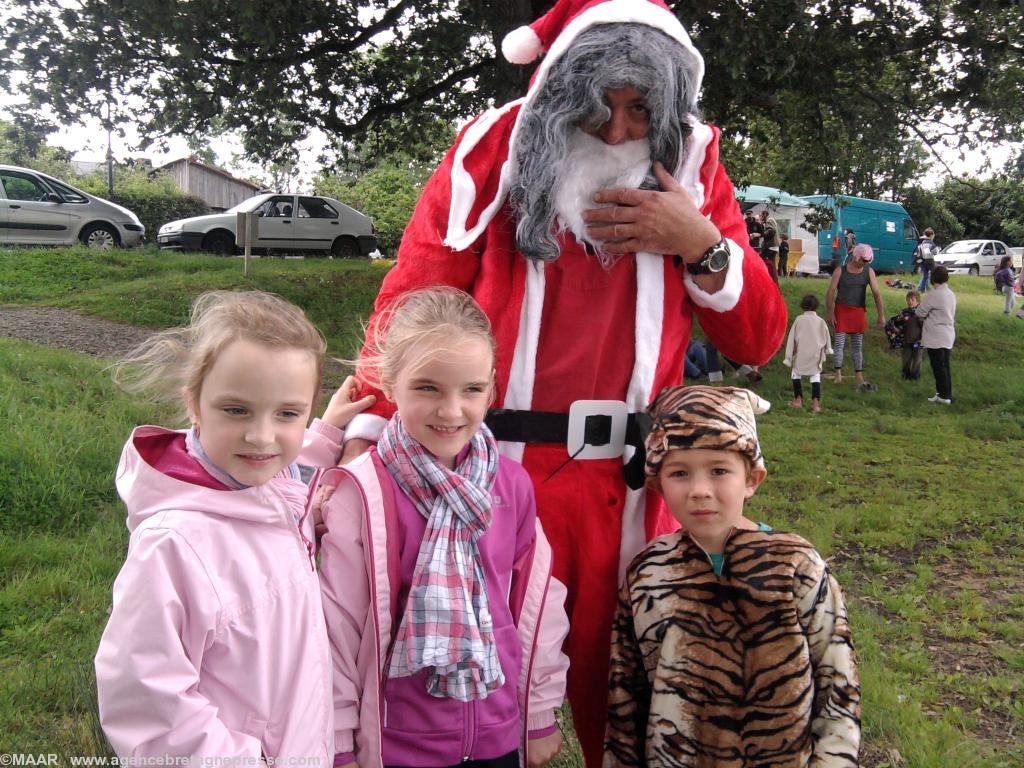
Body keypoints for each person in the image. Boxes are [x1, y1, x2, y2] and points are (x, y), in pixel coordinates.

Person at [338, 2, 788, 762]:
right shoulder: (492, 153)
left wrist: (701, 244)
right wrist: (363, 438)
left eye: (641, 108)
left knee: (645, 710)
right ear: (557, 90)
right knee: (482, 704)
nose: (617, 132)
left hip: (639, 492)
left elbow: (758, 338)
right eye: (595, 106)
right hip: (499, 482)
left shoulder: (694, 169)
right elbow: (414, 306)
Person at [94, 290, 376, 760]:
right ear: (194, 405)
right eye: (236, 410)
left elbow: (289, 466)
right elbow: (147, 703)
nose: (262, 436)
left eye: (287, 413)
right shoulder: (173, 546)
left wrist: (325, 433)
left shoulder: (266, 483)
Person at [318, 288, 570, 768]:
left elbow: (537, 603)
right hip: (399, 742)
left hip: (496, 730)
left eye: (471, 390)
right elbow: (337, 630)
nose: (451, 411)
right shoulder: (364, 494)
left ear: (493, 388)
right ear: (390, 384)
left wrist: (536, 710)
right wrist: (338, 740)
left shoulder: (511, 485)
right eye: (428, 388)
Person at [605, 385, 861, 767]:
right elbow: (626, 698)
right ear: (658, 483)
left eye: (719, 470)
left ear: (752, 479)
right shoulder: (648, 574)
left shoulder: (797, 566)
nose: (700, 490)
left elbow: (838, 688)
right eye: (679, 473)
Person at [826, 243, 885, 390]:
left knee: (857, 346)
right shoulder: (841, 271)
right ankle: (838, 372)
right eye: (862, 261)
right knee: (839, 344)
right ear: (855, 256)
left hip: (858, 311)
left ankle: (858, 374)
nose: (864, 264)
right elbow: (831, 292)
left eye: (867, 262)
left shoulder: (868, 271)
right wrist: (830, 312)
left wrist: (881, 315)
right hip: (842, 310)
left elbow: (877, 293)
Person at [783, 294, 832, 412]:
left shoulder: (799, 320)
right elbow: (827, 337)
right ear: (816, 307)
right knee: (815, 377)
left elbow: (791, 339)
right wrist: (827, 349)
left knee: (795, 374)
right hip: (816, 355)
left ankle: (798, 400)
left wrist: (788, 357)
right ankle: (816, 404)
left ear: (803, 306)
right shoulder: (821, 321)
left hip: (801, 354)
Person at [916, 265, 956, 404]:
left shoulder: (934, 294)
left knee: (938, 367)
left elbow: (919, 312)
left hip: (936, 335)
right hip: (948, 334)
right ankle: (945, 394)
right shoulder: (950, 293)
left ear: (933, 278)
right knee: (945, 366)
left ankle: (944, 396)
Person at [890, 289, 924, 380]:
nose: (910, 301)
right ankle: (905, 375)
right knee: (906, 359)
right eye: (908, 299)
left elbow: (925, 327)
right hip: (906, 340)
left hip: (918, 340)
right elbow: (900, 325)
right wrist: (897, 323)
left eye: (912, 299)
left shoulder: (921, 313)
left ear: (918, 301)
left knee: (917, 360)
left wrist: (923, 338)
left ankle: (915, 377)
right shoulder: (904, 313)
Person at [915, 227, 939, 292]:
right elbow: (935, 251)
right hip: (930, 261)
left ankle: (921, 289)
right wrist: (937, 250)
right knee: (935, 274)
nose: (934, 236)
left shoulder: (922, 242)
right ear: (931, 235)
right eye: (933, 235)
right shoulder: (931, 242)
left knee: (924, 276)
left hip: (922, 261)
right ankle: (936, 288)